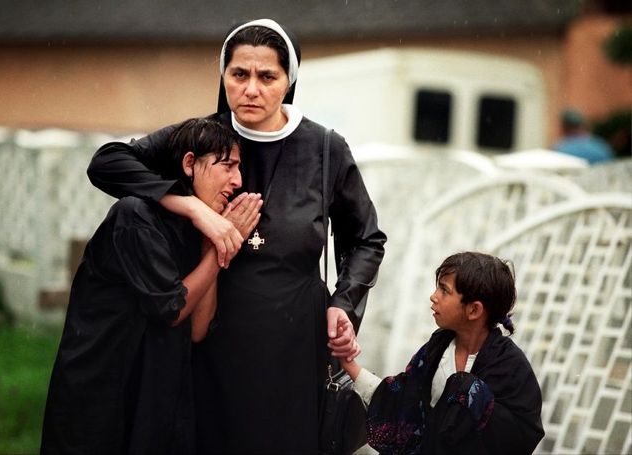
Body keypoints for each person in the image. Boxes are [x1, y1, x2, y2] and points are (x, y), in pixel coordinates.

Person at [86, 18, 387, 454]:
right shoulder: (199, 137)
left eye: (267, 77)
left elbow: (365, 239)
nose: (251, 89)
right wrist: (189, 206)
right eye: (239, 74)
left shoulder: (325, 149)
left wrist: (343, 303)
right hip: (210, 338)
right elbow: (107, 162)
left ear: (289, 81)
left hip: (295, 344)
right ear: (223, 75)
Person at [40, 118, 261, 454]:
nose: (238, 180)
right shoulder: (136, 216)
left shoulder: (194, 229)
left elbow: (198, 329)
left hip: (155, 388)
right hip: (104, 385)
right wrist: (220, 248)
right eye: (227, 166)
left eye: (239, 168)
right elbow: (172, 309)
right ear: (189, 164)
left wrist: (212, 243)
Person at [339, 251, 544, 454]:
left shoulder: (510, 368)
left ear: (474, 310)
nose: (433, 296)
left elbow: (517, 437)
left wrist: (468, 395)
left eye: (444, 290)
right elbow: (400, 403)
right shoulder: (437, 348)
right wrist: (349, 364)